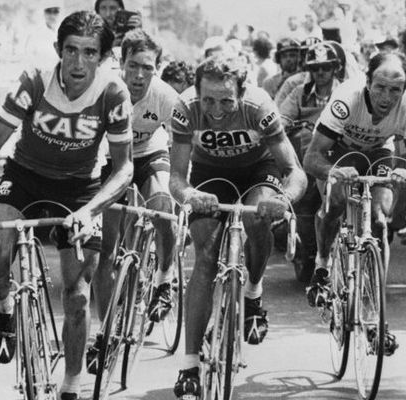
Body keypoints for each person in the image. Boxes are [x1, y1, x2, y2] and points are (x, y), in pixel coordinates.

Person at [0, 11, 133, 400]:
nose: (79, 63)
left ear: (102, 57)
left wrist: (91, 210)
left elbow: (124, 168)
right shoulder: (34, 82)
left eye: (89, 53)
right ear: (57, 51)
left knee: (78, 294)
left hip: (80, 189)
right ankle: (4, 305)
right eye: (71, 51)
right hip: (24, 178)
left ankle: (71, 384)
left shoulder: (113, 93)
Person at [169, 51, 307, 399]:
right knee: (204, 256)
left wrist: (283, 200)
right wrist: (188, 195)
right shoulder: (186, 108)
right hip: (208, 175)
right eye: (208, 100)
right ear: (197, 92)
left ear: (242, 93)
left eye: (226, 101)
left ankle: (253, 293)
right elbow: (175, 177)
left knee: (255, 217)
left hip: (257, 170)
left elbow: (294, 171)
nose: (215, 111)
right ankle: (188, 364)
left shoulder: (259, 107)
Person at [303, 52, 406, 356]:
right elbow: (311, 158)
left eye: (395, 90)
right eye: (380, 87)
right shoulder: (346, 99)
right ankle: (322, 264)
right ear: (367, 81)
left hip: (378, 151)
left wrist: (402, 170)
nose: (387, 97)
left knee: (381, 218)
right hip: (339, 150)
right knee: (335, 203)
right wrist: (333, 173)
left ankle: (376, 309)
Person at [92, 29, 178, 354]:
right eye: (132, 66)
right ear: (120, 62)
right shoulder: (104, 89)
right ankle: (105, 331)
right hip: (111, 160)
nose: (139, 75)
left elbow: (188, 142)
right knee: (106, 250)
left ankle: (164, 279)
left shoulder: (165, 95)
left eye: (148, 67)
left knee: (162, 205)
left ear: (157, 67)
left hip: (149, 155)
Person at [279, 41, 342, 281]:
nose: (321, 73)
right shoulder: (299, 92)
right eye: (316, 68)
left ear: (335, 68)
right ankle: (310, 253)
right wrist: (284, 126)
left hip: (336, 155)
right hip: (308, 157)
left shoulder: (345, 92)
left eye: (326, 67)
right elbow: (282, 117)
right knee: (305, 204)